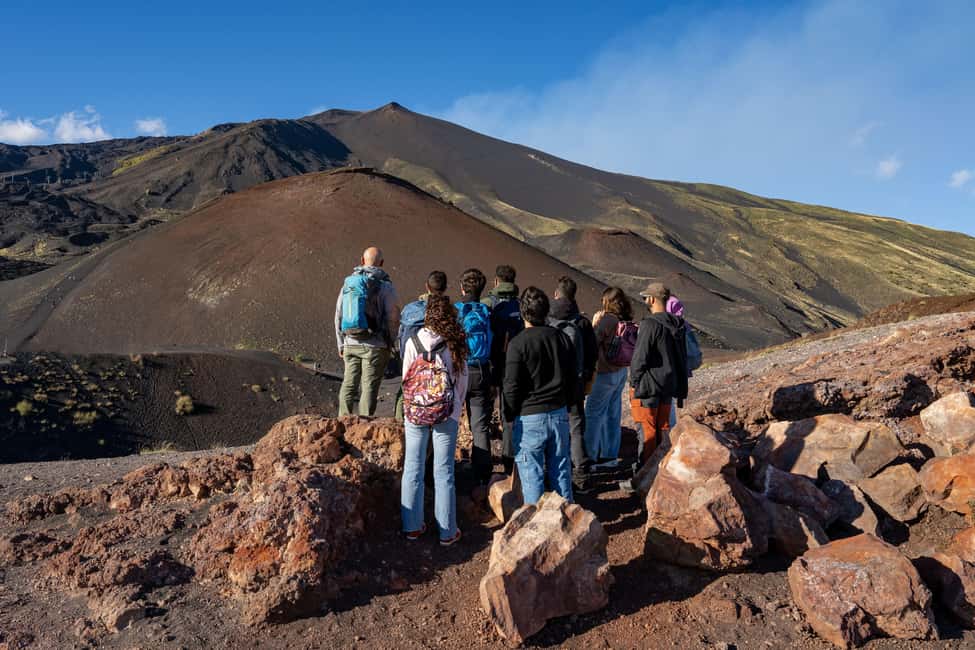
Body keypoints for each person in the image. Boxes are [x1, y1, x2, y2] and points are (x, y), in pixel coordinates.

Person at [400, 295, 469, 545]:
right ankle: (447, 532)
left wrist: (412, 406)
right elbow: (462, 382)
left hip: (416, 412)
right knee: (443, 472)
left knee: (413, 468)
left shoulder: (412, 341)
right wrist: (456, 410)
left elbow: (407, 376)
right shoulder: (455, 345)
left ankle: (412, 527)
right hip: (446, 413)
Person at [503, 287, 576, 504]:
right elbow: (573, 376)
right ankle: (568, 523)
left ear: (523, 312)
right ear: (546, 312)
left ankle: (535, 526)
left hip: (529, 417)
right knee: (562, 471)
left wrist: (510, 413)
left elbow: (511, 385)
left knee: (532, 476)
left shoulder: (518, 344)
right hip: (559, 413)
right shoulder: (562, 338)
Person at [335, 246, 399, 417]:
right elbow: (393, 317)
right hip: (375, 345)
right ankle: (362, 428)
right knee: (369, 386)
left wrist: (341, 342)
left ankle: (343, 423)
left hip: (350, 341)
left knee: (349, 384)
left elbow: (338, 314)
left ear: (362, 261)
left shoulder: (349, 284)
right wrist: (391, 342)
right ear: (382, 264)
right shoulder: (386, 287)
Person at [630, 282, 689, 467]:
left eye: (645, 297)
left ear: (652, 299)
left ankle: (647, 474)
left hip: (649, 385)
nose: (645, 300)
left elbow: (640, 358)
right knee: (663, 428)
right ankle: (663, 467)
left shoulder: (650, 324)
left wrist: (634, 381)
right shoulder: (678, 324)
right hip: (669, 384)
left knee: (648, 430)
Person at [548, 276, 597, 492]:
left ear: (557, 294)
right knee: (576, 428)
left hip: (552, 387)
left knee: (554, 430)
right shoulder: (583, 323)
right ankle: (581, 475)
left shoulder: (548, 320)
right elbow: (593, 355)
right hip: (576, 387)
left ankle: (557, 474)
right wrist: (585, 375)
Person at [584, 287, 636, 467]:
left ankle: (590, 456)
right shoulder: (625, 318)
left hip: (604, 374)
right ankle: (610, 455)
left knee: (593, 414)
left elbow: (591, 342)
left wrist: (594, 323)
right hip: (620, 371)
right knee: (613, 413)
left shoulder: (607, 320)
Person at [455, 268, 494, 485]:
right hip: (481, 371)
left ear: (462, 288)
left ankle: (446, 468)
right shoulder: (486, 312)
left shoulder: (456, 311)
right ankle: (483, 473)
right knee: (480, 425)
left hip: (459, 371)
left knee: (449, 419)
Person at [483, 264, 523, 474]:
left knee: (482, 415)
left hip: (488, 366)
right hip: (513, 368)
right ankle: (510, 461)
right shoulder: (522, 305)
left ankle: (482, 463)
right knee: (509, 417)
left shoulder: (487, 304)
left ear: (496, 281)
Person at [395, 271, 448, 421]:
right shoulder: (447, 311)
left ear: (426, 286)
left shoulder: (410, 309)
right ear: (445, 288)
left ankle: (402, 420)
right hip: (438, 362)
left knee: (406, 389)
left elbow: (401, 334)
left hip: (411, 357)